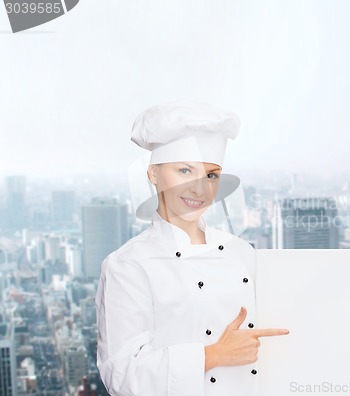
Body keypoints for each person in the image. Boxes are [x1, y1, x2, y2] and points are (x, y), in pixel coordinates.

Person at [95, 101, 289, 396]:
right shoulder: (128, 265)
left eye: (211, 175)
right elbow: (122, 375)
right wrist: (213, 355)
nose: (200, 190)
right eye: (185, 171)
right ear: (153, 174)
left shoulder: (242, 252)